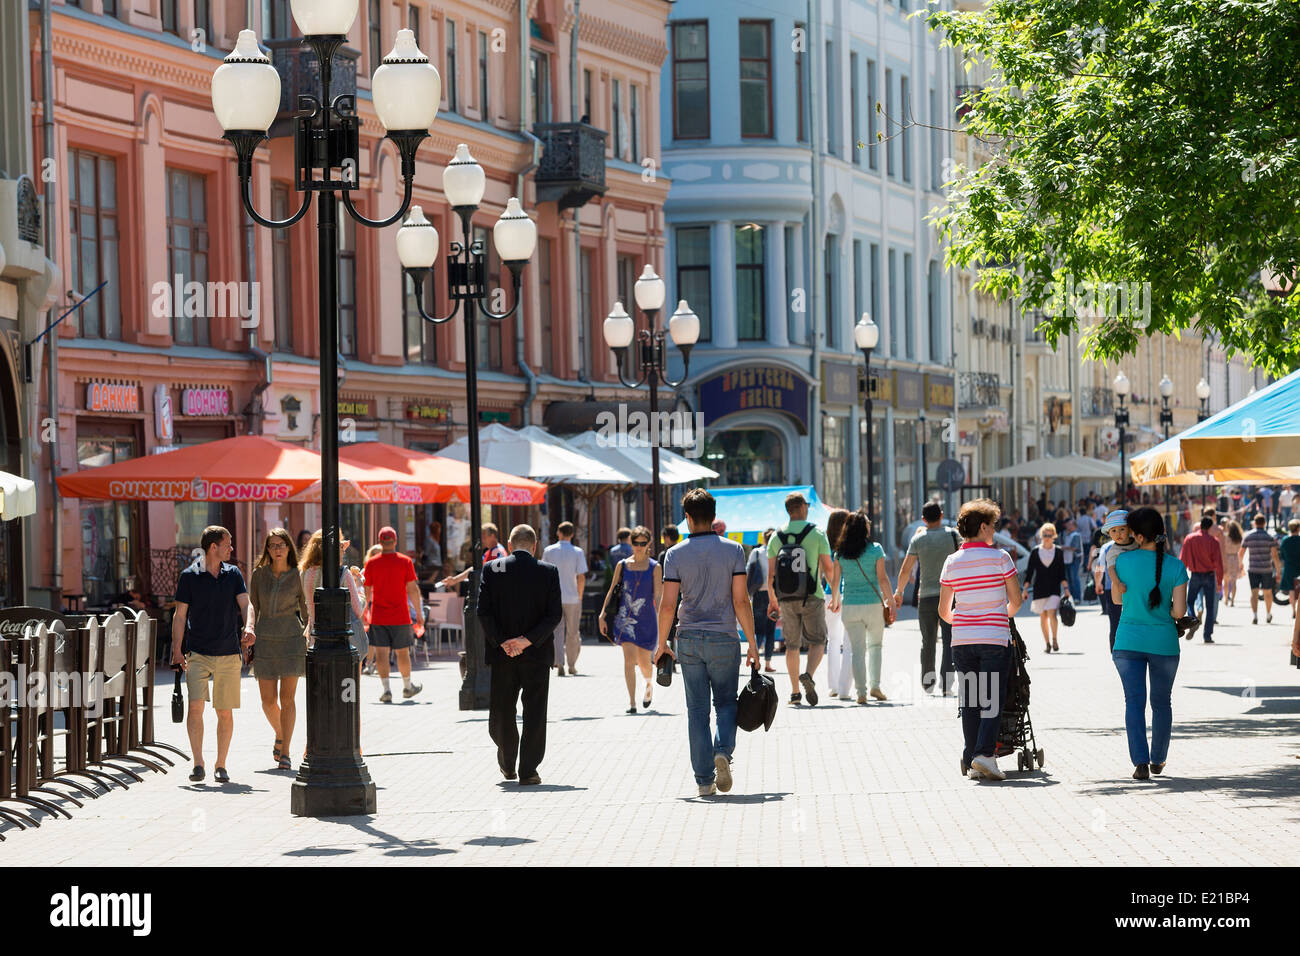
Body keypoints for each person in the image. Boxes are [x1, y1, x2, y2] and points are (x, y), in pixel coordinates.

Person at [656, 489, 758, 796]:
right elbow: (741, 600)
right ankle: (723, 751)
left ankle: (704, 781)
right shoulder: (734, 550)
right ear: (713, 517)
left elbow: (668, 605)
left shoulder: (674, 554)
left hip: (688, 638)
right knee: (726, 703)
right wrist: (752, 641)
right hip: (724, 637)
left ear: (687, 518)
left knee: (697, 710)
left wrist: (661, 643)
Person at [938, 499, 1023, 782]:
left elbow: (943, 610)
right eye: (994, 525)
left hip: (962, 640)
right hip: (994, 639)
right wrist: (998, 617)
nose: (995, 530)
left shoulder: (951, 562)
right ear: (983, 526)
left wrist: (965, 622)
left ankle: (973, 754)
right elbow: (1016, 601)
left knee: (971, 700)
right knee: (992, 699)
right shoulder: (1001, 558)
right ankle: (985, 754)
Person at [478, 524, 563, 785]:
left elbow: (483, 611)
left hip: (503, 655)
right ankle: (529, 770)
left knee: (502, 710)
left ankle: (507, 762)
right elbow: (554, 614)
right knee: (535, 712)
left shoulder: (491, 569)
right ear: (534, 545)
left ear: (510, 543)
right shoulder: (548, 571)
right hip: (536, 653)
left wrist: (503, 641)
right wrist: (527, 640)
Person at [1109, 507, 1189, 780]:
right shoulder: (1176, 566)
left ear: (1140, 536)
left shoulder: (1122, 563)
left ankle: (1140, 763)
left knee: (1134, 702)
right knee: (1161, 702)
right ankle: (1159, 759)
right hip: (1164, 643)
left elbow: (1118, 601)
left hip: (1128, 640)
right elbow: (1179, 613)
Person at [171, 526, 251, 784]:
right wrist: (176, 650)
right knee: (195, 707)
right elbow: (180, 615)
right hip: (198, 652)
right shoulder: (189, 577)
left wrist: (249, 626)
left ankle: (221, 764)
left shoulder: (234, 574)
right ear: (213, 547)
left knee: (224, 711)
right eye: (228, 544)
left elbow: (246, 604)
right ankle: (198, 763)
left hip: (228, 651)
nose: (231, 548)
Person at [247, 529, 309, 770]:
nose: (277, 549)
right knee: (268, 701)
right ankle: (281, 733)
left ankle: (285, 752)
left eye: (281, 544)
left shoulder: (298, 575)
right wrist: (249, 628)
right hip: (264, 639)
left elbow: (305, 609)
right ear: (268, 550)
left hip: (292, 639)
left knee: (288, 698)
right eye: (272, 545)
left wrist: (310, 632)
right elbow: (252, 605)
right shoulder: (259, 575)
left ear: (289, 547)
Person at [767, 491, 834, 706]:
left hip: (786, 597)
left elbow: (771, 575)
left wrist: (772, 600)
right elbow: (828, 566)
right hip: (812, 595)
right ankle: (809, 675)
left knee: (792, 645)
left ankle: (795, 693)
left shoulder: (776, 536)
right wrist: (835, 592)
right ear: (803, 508)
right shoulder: (817, 533)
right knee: (818, 641)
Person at [893, 501, 961, 695]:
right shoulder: (953, 536)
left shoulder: (918, 539)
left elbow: (906, 569)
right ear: (941, 515)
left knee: (928, 640)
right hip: (950, 596)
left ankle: (927, 682)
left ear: (923, 519)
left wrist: (899, 592)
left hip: (926, 597)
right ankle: (947, 683)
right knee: (949, 640)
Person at [828, 510, 893, 703]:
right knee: (875, 646)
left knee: (857, 650)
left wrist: (835, 600)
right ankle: (875, 687)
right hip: (873, 604)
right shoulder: (876, 549)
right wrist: (891, 602)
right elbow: (882, 579)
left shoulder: (840, 553)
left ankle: (861, 692)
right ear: (865, 529)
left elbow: (835, 581)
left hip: (850, 606)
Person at [599, 525, 662, 712]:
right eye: (636, 543)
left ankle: (649, 685)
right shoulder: (623, 565)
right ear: (631, 542)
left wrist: (663, 622)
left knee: (644, 662)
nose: (639, 546)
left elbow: (658, 596)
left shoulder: (655, 567)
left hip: (647, 620)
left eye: (643, 543)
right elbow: (612, 590)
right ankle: (632, 703)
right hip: (624, 619)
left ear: (649, 543)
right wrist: (603, 614)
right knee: (628, 660)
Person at [359, 526, 424, 702]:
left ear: (380, 542)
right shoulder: (405, 561)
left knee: (381, 654)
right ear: (395, 541)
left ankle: (387, 690)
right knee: (402, 653)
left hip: (379, 616)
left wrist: (364, 613)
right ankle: (407, 686)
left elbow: (366, 591)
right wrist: (419, 613)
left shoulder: (371, 563)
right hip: (401, 616)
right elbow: (412, 589)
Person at [542, 521, 588, 676]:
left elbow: (544, 574)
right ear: (572, 534)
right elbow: (581, 577)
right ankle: (572, 664)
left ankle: (559, 662)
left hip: (554, 597)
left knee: (557, 631)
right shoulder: (578, 552)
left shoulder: (549, 550)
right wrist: (580, 595)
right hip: (572, 597)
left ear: (558, 533)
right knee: (573, 633)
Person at [1094, 510, 1138, 651]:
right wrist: (1100, 582)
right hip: (1114, 588)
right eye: (1114, 530)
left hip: (1128, 588)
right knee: (1117, 622)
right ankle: (1116, 649)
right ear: (1109, 532)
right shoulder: (1110, 549)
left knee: (1121, 621)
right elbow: (1104, 567)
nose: (1118, 533)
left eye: (1122, 529)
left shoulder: (1137, 544)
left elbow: (1099, 568)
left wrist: (1098, 583)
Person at [821, 508, 852, 700]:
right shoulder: (849, 547)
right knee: (848, 642)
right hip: (847, 594)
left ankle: (832, 686)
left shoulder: (826, 546)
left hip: (828, 595)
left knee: (833, 641)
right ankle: (844, 686)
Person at [1024, 522, 1068, 653]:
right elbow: (1029, 573)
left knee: (1052, 613)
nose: (1047, 537)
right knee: (1043, 617)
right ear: (1041, 535)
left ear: (1054, 536)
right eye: (1045, 534)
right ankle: (1047, 643)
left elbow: (1062, 572)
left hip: (1054, 588)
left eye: (1050, 535)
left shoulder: (1059, 551)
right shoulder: (1035, 551)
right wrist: (1025, 589)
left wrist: (1066, 589)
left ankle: (1054, 639)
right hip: (1039, 588)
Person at [1178, 515, 1222, 644]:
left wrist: (1180, 578)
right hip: (1209, 575)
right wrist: (1219, 582)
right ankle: (1207, 636)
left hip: (1195, 574)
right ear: (1209, 527)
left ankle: (1193, 620)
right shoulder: (1214, 541)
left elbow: (1183, 560)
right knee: (1210, 606)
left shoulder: (1189, 539)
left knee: (1190, 601)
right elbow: (1219, 563)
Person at [1241, 513, 1282, 625]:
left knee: (1254, 593)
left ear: (1255, 523)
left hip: (1253, 569)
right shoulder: (1269, 537)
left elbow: (1241, 553)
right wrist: (1278, 571)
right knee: (1268, 593)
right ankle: (1268, 614)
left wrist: (1240, 565)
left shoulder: (1248, 536)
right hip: (1266, 569)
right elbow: (1275, 556)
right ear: (1264, 523)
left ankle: (1255, 615)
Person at [440, 523, 508, 589]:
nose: (482, 540)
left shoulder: (495, 552)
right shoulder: (492, 551)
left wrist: (455, 580)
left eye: (484, 537)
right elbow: (476, 567)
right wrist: (455, 579)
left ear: (492, 536)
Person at [746, 529, 778, 672]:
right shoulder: (777, 553)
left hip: (759, 594)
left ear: (764, 539)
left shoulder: (756, 552)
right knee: (770, 630)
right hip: (774, 595)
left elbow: (748, 571)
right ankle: (768, 663)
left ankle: (755, 660)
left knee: (759, 629)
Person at [1279, 519, 1300, 620]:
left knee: (1291, 590)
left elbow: (1282, 555)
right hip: (1299, 567)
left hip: (1289, 567)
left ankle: (1293, 610)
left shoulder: (1285, 540)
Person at [1222, 520, 1243, 606]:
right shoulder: (1239, 538)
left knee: (1226, 581)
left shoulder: (1225, 537)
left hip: (1226, 558)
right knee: (1234, 582)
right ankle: (1233, 601)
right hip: (1235, 558)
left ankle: (1226, 599)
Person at [1061, 518, 1083, 602]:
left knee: (1074, 578)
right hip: (1066, 559)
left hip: (1074, 559)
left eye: (1070, 524)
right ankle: (1071, 597)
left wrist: (1064, 547)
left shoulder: (1076, 535)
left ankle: (1077, 597)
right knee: (1069, 579)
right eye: (1067, 524)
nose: (1067, 526)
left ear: (1074, 525)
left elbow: (1075, 547)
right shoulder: (1065, 534)